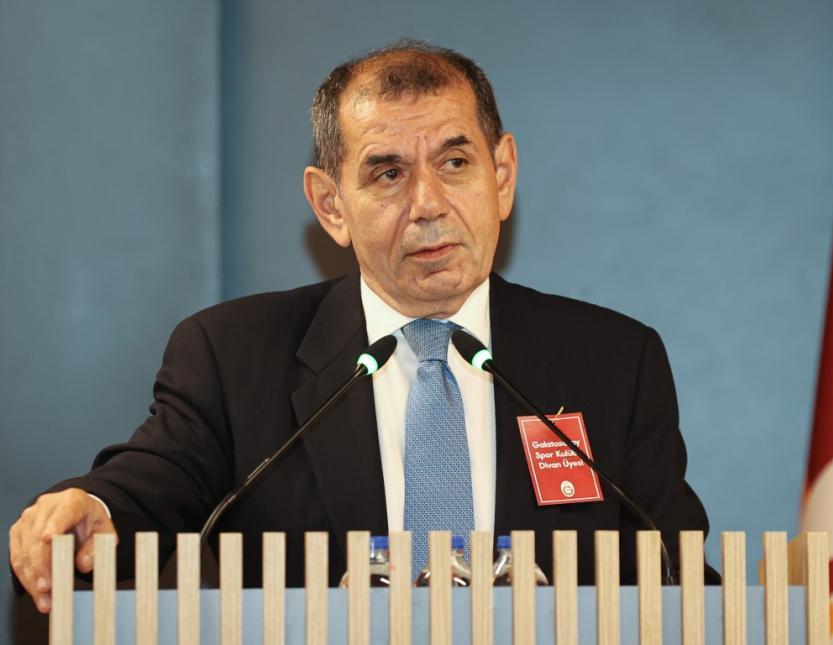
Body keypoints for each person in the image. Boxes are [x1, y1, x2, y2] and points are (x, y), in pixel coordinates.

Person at [9, 40, 714, 613]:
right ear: (330, 205)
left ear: (502, 176)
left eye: (456, 162)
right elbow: (150, 487)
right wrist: (93, 510)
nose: (429, 204)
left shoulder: (614, 363)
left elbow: (683, 584)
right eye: (388, 174)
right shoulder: (233, 357)